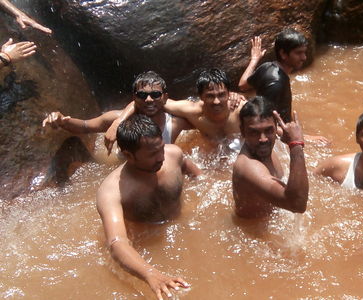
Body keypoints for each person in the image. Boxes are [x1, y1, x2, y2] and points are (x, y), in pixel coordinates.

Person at [96, 114, 200, 300]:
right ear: (128, 154)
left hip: (183, 228)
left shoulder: (173, 154)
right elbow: (116, 242)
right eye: (152, 154)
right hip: (149, 244)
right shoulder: (112, 192)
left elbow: (199, 177)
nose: (161, 157)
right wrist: (149, 273)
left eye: (161, 148)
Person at [105, 68, 246, 151]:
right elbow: (146, 101)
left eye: (222, 95)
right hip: (212, 159)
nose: (216, 101)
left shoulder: (241, 109)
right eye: (210, 96)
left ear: (229, 93)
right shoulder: (191, 111)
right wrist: (118, 122)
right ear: (201, 97)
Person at [43, 71, 191, 147]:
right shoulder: (116, 118)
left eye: (155, 94)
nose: (149, 100)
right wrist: (62, 121)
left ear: (165, 97)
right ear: (134, 97)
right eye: (142, 95)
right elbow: (85, 126)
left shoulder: (176, 123)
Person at [232, 96, 308, 218]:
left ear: (276, 128)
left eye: (268, 130)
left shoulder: (263, 148)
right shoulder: (248, 167)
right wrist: (296, 145)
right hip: (254, 234)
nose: (263, 139)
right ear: (242, 131)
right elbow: (297, 204)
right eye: (254, 132)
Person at [238, 28, 307, 123]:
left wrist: (254, 59)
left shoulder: (267, 66)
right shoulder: (276, 84)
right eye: (298, 53)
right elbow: (265, 121)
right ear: (283, 54)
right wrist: (304, 136)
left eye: (304, 52)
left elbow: (242, 85)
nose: (304, 57)